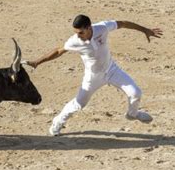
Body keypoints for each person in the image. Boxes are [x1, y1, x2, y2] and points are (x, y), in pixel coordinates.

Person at [26, 14, 163, 136]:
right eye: (76, 33)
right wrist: (38, 61)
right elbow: (58, 51)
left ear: (89, 27)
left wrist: (145, 30)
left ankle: (133, 114)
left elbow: (123, 23)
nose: (78, 35)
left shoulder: (102, 28)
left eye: (81, 32)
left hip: (112, 70)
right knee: (79, 104)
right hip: (92, 77)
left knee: (136, 93)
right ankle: (57, 122)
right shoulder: (74, 41)